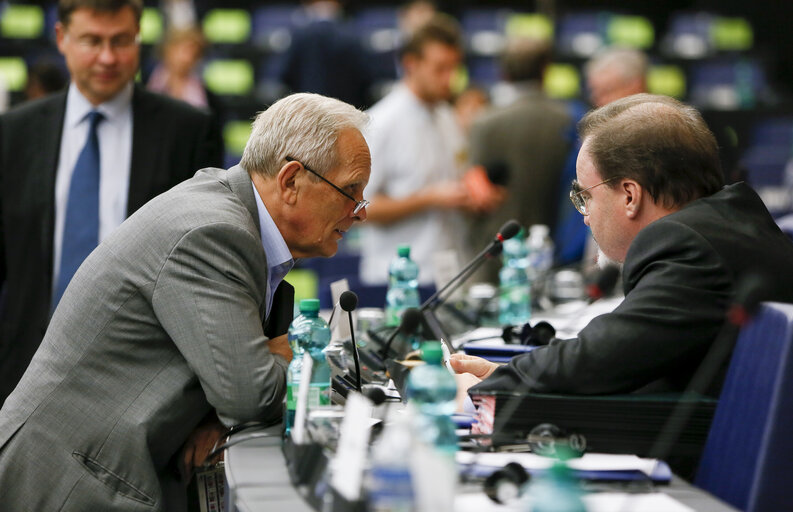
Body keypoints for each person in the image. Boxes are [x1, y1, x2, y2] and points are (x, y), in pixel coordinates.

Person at [0, 92, 371, 510]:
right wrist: (296, 350)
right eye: (351, 190)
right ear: (290, 181)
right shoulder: (213, 233)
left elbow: (233, 386)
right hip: (65, 483)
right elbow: (249, 394)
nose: (360, 212)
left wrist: (222, 401)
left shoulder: (231, 212)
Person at [452, 94, 793, 398]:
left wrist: (492, 383)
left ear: (630, 196)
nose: (585, 216)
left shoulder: (689, 247)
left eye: (585, 196)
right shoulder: (729, 223)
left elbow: (598, 358)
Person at [0, 0, 223, 403]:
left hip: (146, 383)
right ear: (61, 38)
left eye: (121, 41)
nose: (107, 57)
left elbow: (205, 270)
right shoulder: (13, 135)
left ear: (139, 39)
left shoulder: (188, 131)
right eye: (92, 41)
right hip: (24, 378)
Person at [360, 14, 501, 285]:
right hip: (397, 280)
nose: (450, 79)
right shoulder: (381, 123)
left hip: (448, 272)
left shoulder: (446, 116)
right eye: (440, 68)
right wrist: (428, 198)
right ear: (411, 64)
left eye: (454, 68)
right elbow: (358, 209)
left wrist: (473, 196)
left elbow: (453, 186)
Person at [468, 37, 573, 282]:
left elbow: (475, 193)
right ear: (545, 69)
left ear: (503, 73)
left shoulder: (484, 123)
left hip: (495, 254)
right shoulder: (568, 120)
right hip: (556, 248)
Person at [554, 46, 649, 266]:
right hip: (586, 260)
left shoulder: (665, 138)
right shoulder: (591, 136)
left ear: (636, 86)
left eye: (606, 91)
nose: (598, 102)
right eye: (594, 93)